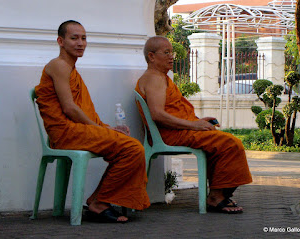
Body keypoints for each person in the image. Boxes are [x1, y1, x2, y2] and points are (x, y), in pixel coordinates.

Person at [35, 20, 150, 223]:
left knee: (129, 145)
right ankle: (98, 202)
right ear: (60, 41)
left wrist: (107, 129)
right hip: (66, 133)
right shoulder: (58, 65)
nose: (80, 43)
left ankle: (99, 200)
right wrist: (100, 129)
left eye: (84, 38)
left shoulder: (71, 70)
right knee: (132, 148)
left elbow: (81, 109)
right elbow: (69, 108)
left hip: (78, 130)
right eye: (74, 38)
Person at [135, 36, 252, 214]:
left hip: (180, 129)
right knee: (230, 144)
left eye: (171, 52)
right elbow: (157, 115)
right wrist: (193, 125)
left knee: (222, 142)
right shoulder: (154, 78)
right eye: (166, 53)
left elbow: (173, 111)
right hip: (171, 134)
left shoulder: (161, 78)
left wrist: (198, 121)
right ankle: (216, 197)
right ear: (151, 56)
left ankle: (218, 193)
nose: (171, 57)